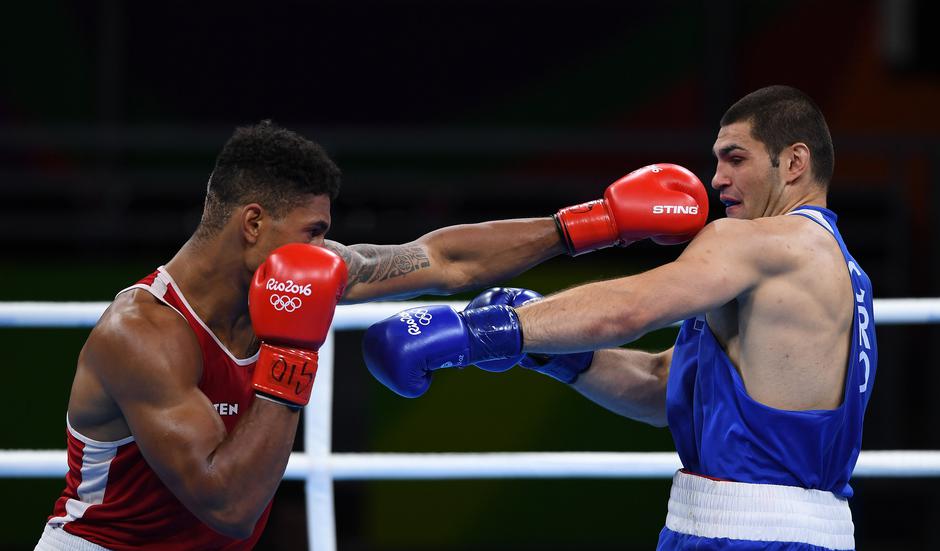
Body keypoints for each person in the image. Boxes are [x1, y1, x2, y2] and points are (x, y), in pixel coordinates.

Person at [35, 120, 708, 550]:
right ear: (251, 224)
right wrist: (291, 352)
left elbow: (446, 259)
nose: (325, 251)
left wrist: (589, 225)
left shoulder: (307, 274)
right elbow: (231, 506)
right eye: (314, 233)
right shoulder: (142, 334)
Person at [364, 85, 877, 550]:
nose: (717, 179)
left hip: (747, 534)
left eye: (735, 158)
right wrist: (550, 351)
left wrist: (485, 333)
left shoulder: (762, 243)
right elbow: (660, 386)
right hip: (777, 526)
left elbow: (634, 307)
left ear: (793, 162)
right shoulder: (839, 271)